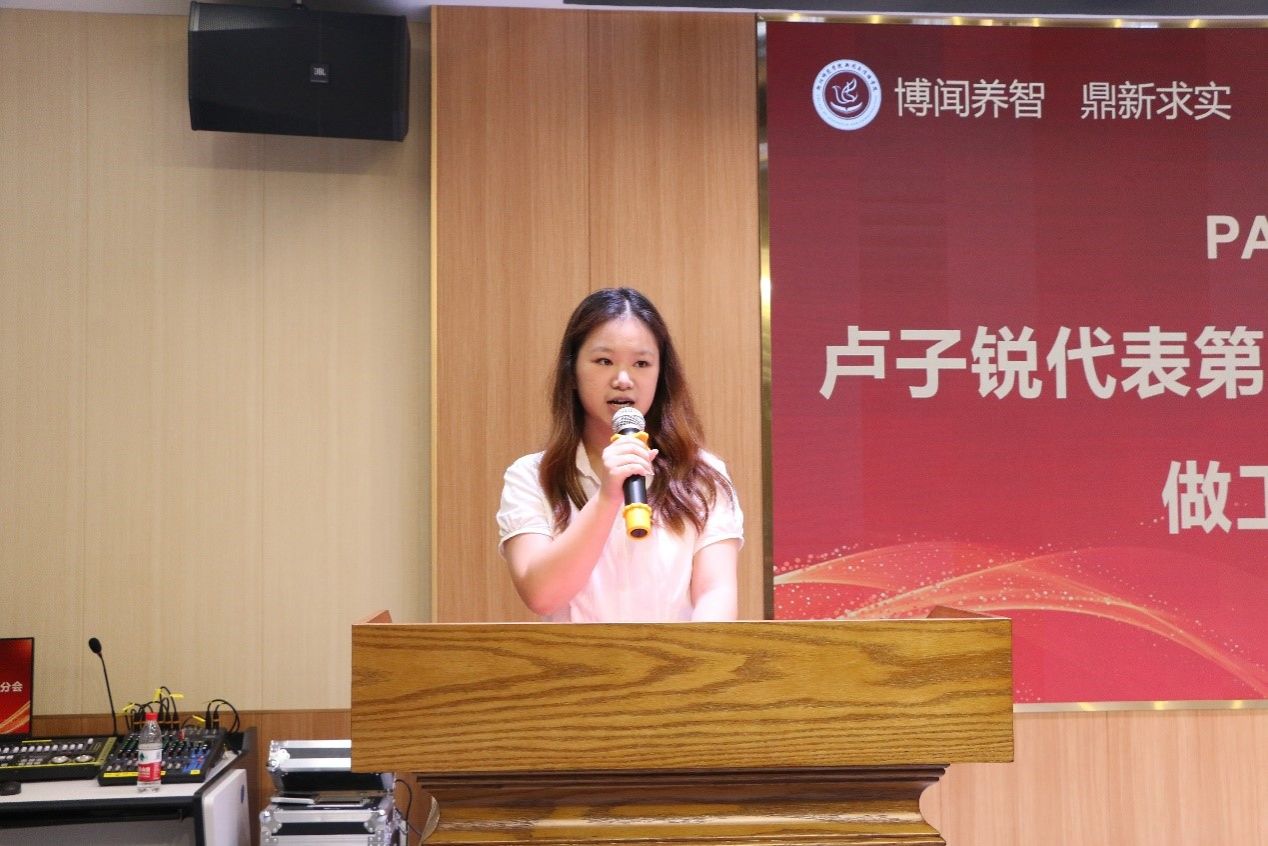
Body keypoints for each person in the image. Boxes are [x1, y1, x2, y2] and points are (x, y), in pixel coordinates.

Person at [497, 287, 743, 622]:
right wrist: (607, 497)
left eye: (641, 363)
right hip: (572, 657)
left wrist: (692, 656)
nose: (624, 380)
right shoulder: (531, 475)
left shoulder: (702, 474)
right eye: (604, 361)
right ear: (572, 372)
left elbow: (716, 593)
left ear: (661, 375)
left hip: (679, 656)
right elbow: (542, 595)